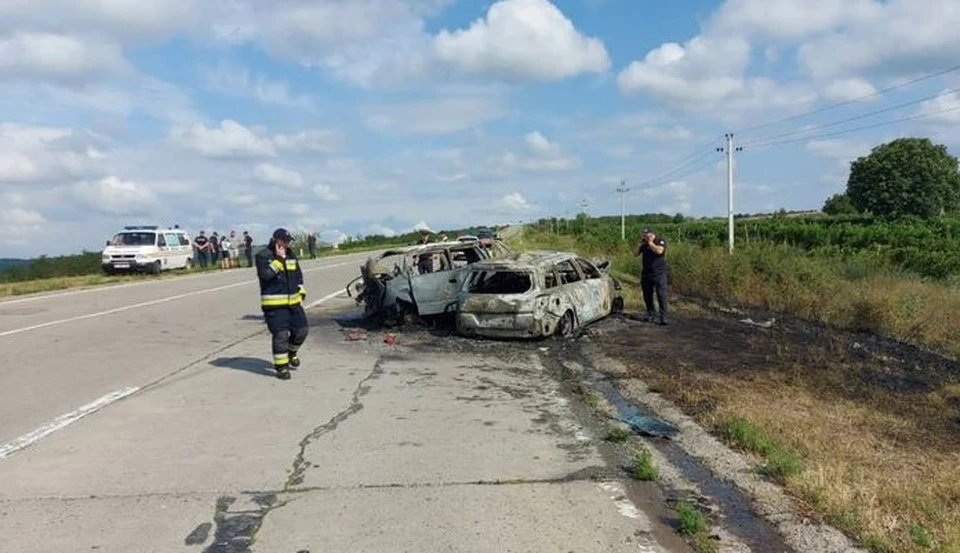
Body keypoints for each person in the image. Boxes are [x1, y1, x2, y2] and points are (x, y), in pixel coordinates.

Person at [255, 228, 309, 380]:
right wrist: (279, 260)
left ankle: (291, 353)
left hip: (294, 304)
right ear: (275, 240)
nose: (287, 244)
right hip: (274, 305)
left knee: (302, 331)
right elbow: (266, 276)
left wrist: (301, 292)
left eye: (288, 241)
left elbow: (298, 276)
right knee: (281, 336)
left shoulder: (291, 254)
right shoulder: (263, 255)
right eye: (284, 241)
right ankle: (281, 368)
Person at [635, 227, 669, 325]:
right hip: (646, 273)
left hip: (659, 273)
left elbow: (659, 251)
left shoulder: (659, 240)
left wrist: (650, 243)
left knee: (661, 295)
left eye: (647, 235)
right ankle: (651, 314)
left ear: (652, 234)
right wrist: (640, 245)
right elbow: (635, 254)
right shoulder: (643, 244)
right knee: (647, 295)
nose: (645, 236)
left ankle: (663, 317)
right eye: (644, 235)